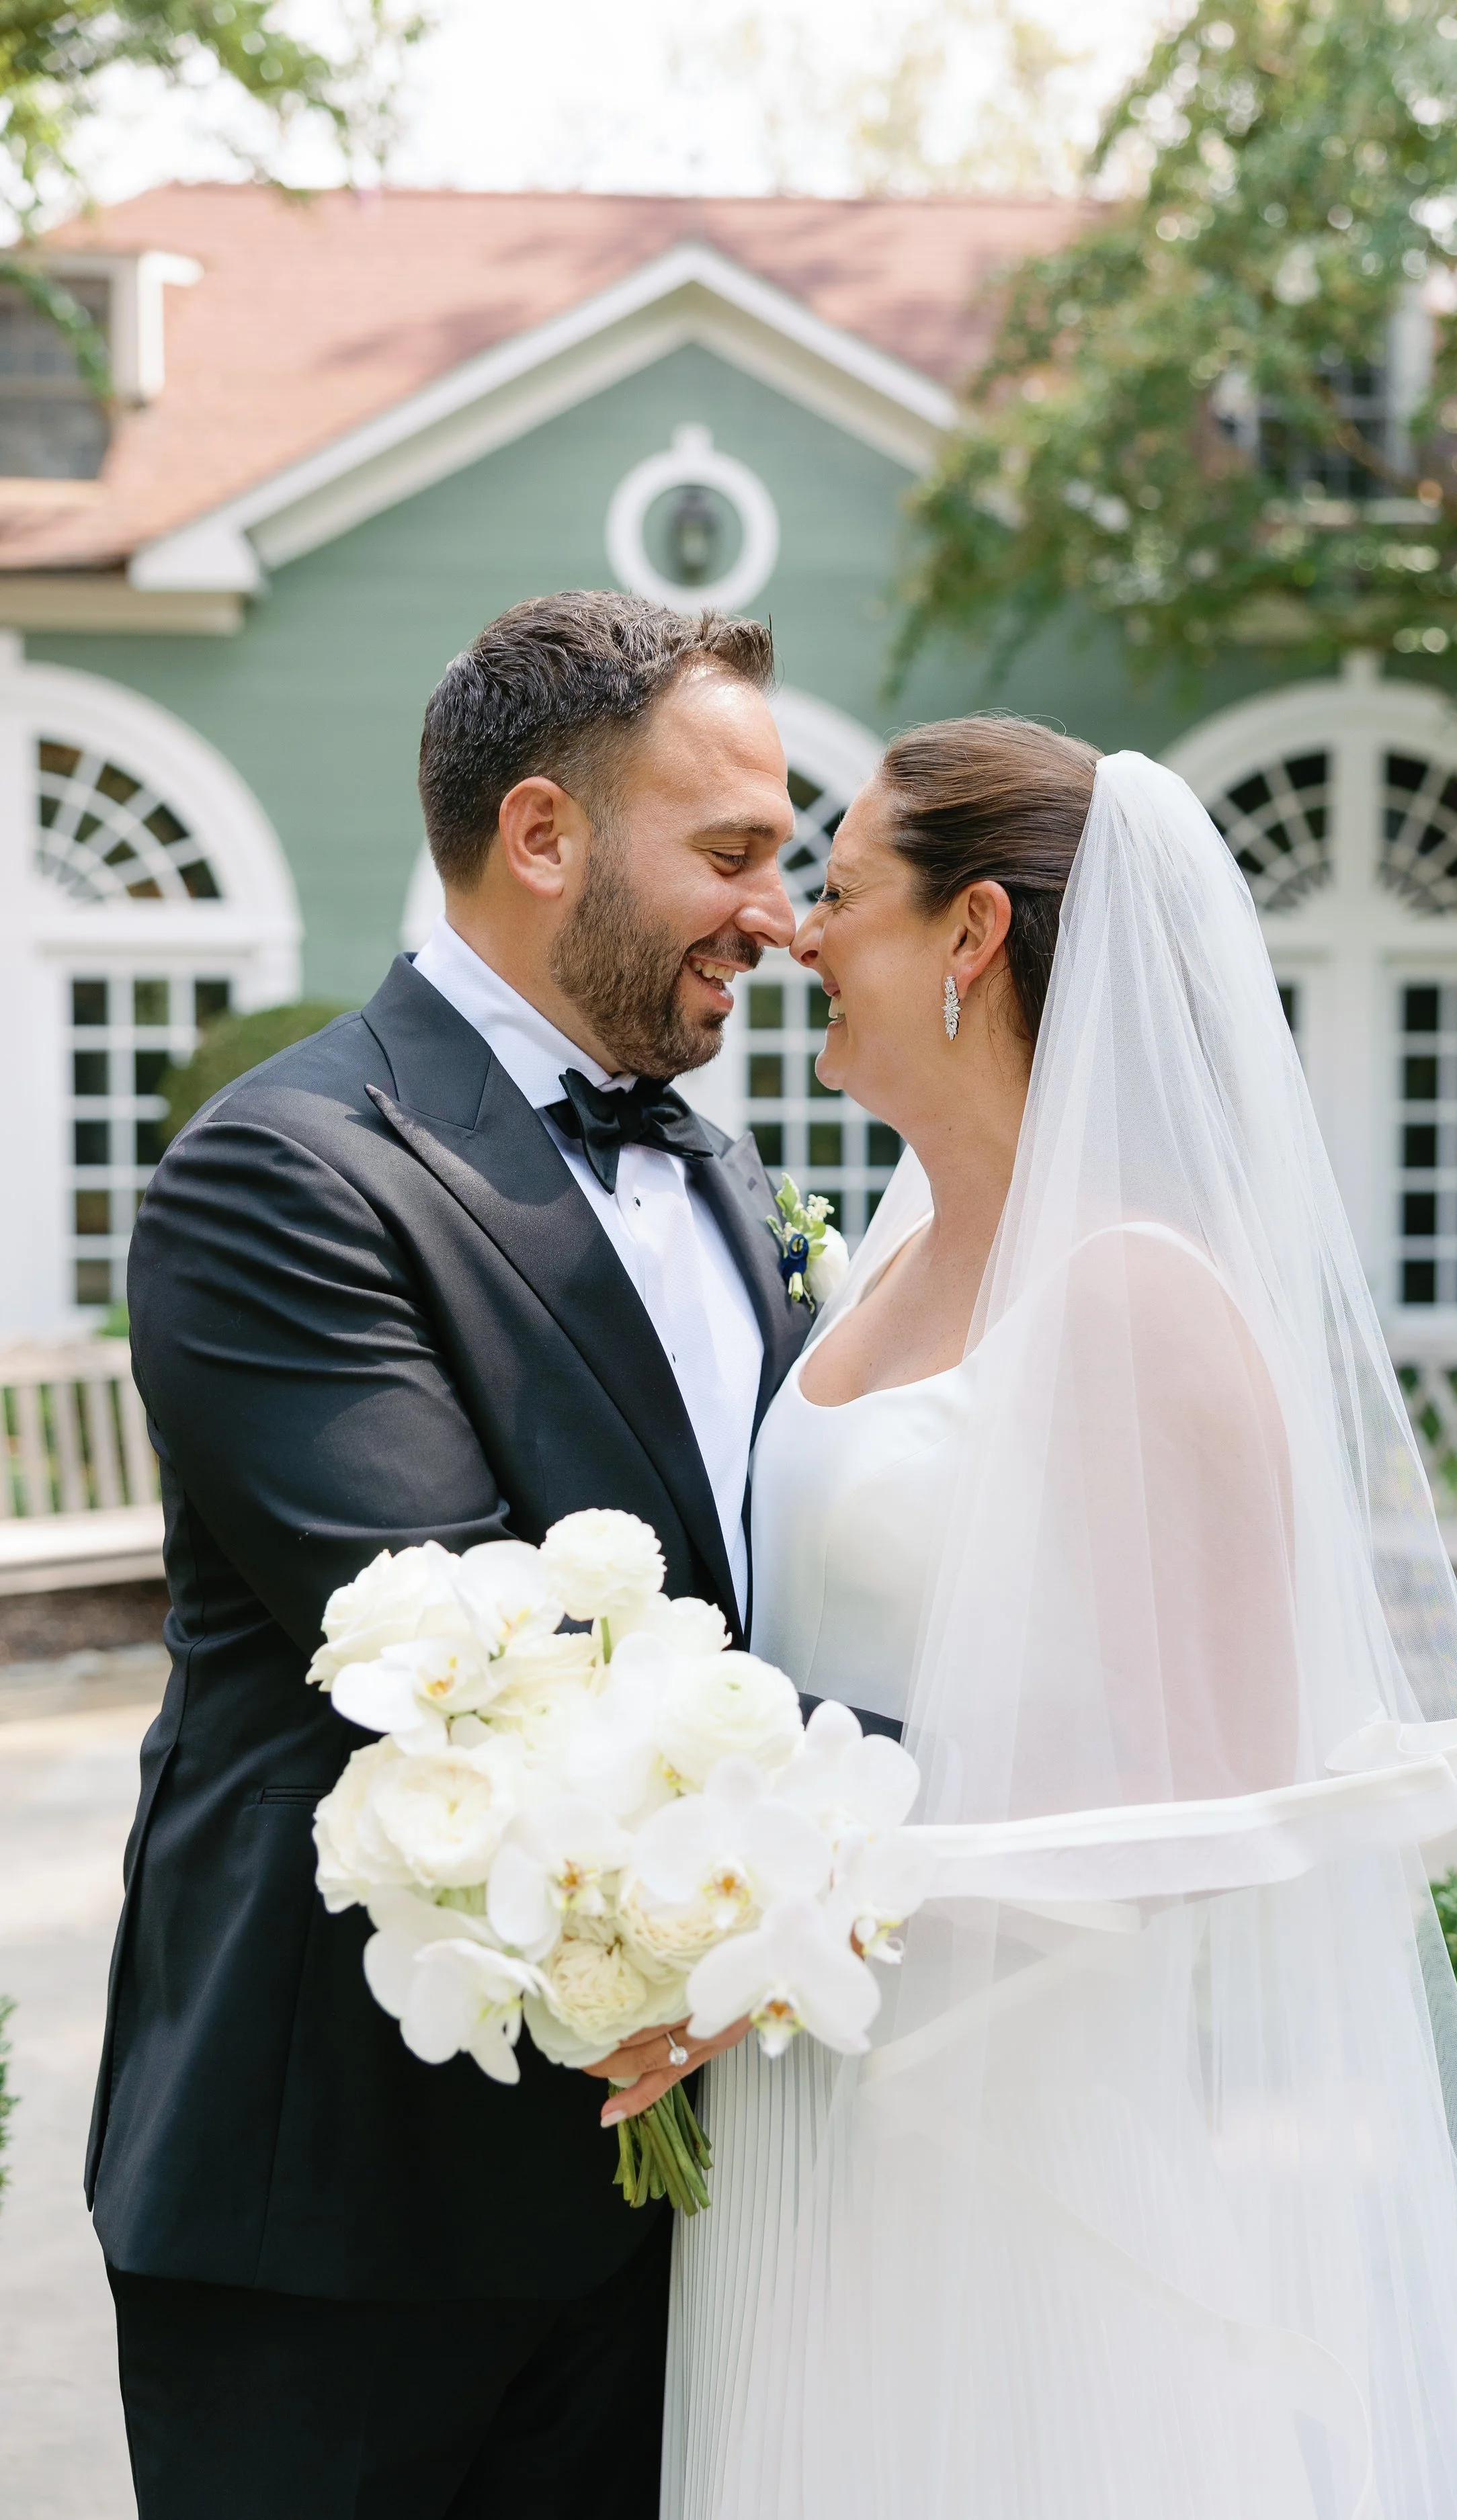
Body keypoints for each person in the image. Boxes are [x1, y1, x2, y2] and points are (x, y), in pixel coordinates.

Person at [661, 718, 1457, 2519]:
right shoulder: (895, 1250)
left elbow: (1232, 1815)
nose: (792, 930)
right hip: (800, 2112)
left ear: (971, 935)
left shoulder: (1145, 1297)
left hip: (1018, 2147)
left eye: (838, 891)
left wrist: (820, 1904)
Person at [90, 592, 808, 2519]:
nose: (780, 911)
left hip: (668, 2195)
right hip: (342, 2214)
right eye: (731, 853)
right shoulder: (290, 1167)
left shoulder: (729, 1180)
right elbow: (479, 1661)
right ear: (543, 833)